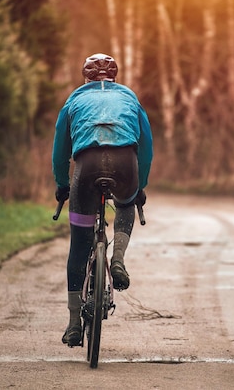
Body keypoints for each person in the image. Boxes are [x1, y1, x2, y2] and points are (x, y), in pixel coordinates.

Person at [52, 53, 153, 346]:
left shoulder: (73, 101)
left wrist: (62, 185)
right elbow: (146, 149)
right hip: (125, 164)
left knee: (79, 245)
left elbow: (60, 151)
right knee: (124, 202)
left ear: (86, 77)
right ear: (115, 77)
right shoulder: (130, 98)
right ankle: (118, 258)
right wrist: (139, 187)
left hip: (87, 166)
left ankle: (73, 324)